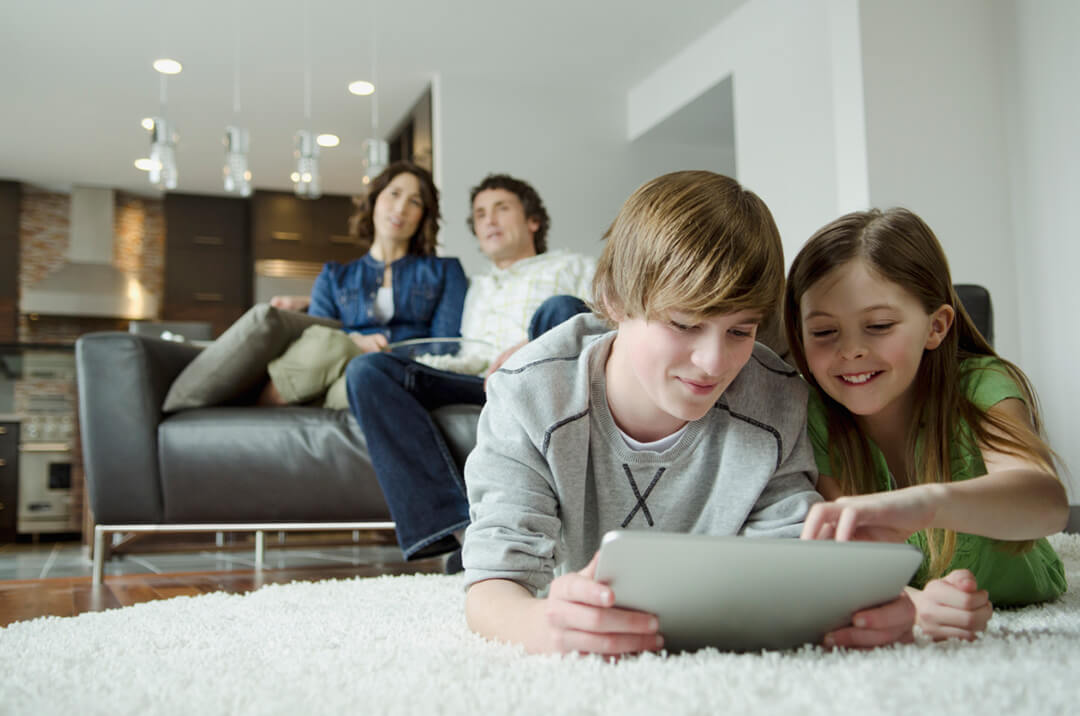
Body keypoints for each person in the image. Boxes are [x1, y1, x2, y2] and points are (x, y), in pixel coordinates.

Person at [462, 171, 829, 656]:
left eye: (740, 332)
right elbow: (493, 585)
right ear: (613, 299)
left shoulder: (776, 398)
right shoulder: (531, 393)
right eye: (684, 324)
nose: (714, 363)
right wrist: (538, 622)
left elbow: (792, 562)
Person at [784, 207, 1069, 645]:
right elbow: (845, 556)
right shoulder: (812, 414)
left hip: (1021, 593)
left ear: (936, 326)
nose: (851, 351)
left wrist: (926, 503)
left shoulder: (981, 383)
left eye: (878, 326)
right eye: (824, 332)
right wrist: (913, 604)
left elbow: (1046, 505)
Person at [345, 174, 595, 562]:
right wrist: (409, 362)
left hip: (542, 371)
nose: (489, 220)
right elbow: (465, 352)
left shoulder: (573, 265)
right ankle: (464, 534)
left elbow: (606, 323)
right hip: (482, 381)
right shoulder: (475, 287)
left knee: (561, 307)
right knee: (368, 371)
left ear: (533, 222)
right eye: (480, 215)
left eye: (502, 209)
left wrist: (532, 346)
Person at [262, 160, 467, 406]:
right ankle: (256, 409)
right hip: (341, 367)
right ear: (374, 201)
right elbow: (318, 342)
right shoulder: (333, 276)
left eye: (415, 201)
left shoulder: (445, 272)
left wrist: (387, 354)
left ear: (423, 215)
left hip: (401, 373)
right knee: (328, 344)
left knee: (361, 383)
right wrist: (356, 342)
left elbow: (444, 347)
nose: (401, 208)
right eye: (394, 194)